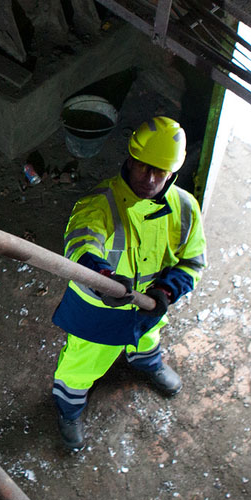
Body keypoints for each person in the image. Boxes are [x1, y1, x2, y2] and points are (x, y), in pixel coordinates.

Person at [50, 116, 206, 452]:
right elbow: (81, 245)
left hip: (149, 307)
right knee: (81, 365)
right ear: (130, 159)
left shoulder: (186, 208)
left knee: (148, 338)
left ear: (172, 172)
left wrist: (166, 291)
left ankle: (145, 362)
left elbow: (193, 261)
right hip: (98, 314)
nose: (149, 179)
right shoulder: (99, 204)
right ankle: (68, 408)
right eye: (143, 167)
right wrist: (102, 278)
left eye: (160, 172)